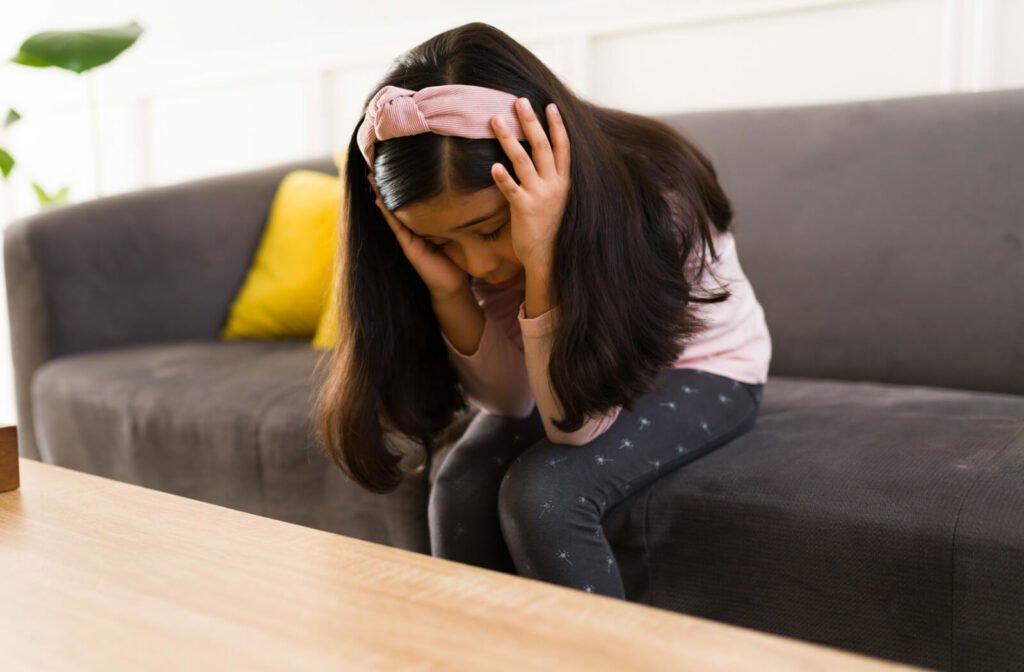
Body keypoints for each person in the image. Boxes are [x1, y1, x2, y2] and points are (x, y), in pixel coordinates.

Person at [313, 22, 771, 599]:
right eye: (443, 242)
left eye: (489, 229)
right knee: (460, 480)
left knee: (544, 492)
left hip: (706, 368)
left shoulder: (655, 192)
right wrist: (448, 292)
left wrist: (543, 261)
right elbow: (511, 400)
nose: (477, 263)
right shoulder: (471, 260)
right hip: (564, 377)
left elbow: (572, 429)